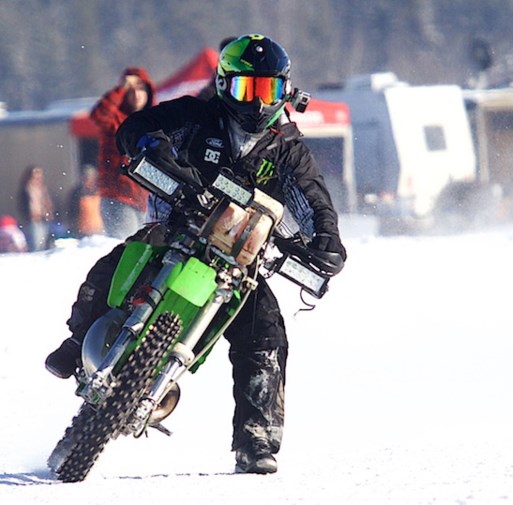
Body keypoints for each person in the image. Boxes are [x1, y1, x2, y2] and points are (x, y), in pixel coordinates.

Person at [43, 34, 347, 475]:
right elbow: (134, 129)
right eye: (247, 89)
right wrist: (154, 148)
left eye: (269, 91)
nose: (258, 103)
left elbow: (315, 201)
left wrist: (327, 241)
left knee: (265, 333)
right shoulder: (195, 114)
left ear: (285, 92)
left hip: (240, 261)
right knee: (110, 266)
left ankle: (256, 440)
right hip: (176, 231)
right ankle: (77, 341)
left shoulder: (287, 147)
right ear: (225, 85)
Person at [91, 67, 157, 239]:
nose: (136, 94)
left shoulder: (153, 121)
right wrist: (120, 89)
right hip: (118, 197)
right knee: (125, 244)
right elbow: (99, 115)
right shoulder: (115, 120)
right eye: (131, 90)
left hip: (145, 202)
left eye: (141, 89)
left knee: (141, 249)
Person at [17, 165, 55, 251]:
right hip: (34, 220)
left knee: (46, 244)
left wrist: (49, 213)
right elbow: (23, 205)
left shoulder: (42, 188)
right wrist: (28, 216)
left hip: (44, 219)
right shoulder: (27, 189)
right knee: (36, 245)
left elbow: (47, 202)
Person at [68, 164, 104, 237]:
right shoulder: (77, 194)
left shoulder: (101, 192)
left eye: (90, 178)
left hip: (99, 230)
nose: (88, 181)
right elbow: (71, 212)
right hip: (82, 232)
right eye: (86, 178)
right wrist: (73, 227)